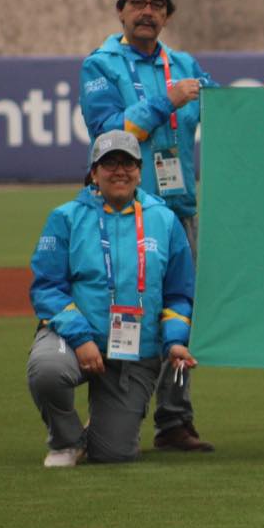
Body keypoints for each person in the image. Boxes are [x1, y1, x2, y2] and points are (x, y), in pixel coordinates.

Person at [79, 0, 264, 452]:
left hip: (178, 213)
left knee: (180, 314)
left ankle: (173, 420)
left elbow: (228, 110)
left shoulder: (183, 64)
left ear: (167, 15)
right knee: (121, 309)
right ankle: (108, 410)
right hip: (123, 214)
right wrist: (163, 101)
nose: (148, 11)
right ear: (121, 10)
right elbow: (111, 136)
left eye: (157, 4)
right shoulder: (100, 66)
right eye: (138, 2)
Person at [27, 130, 196, 466]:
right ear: (94, 172)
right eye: (109, 163)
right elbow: (47, 287)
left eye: (128, 163)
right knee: (47, 370)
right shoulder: (66, 218)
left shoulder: (164, 220)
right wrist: (80, 337)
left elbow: (178, 294)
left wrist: (174, 342)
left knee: (114, 454)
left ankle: (100, 430)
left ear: (139, 169)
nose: (120, 171)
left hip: (133, 352)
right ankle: (66, 440)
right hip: (74, 339)